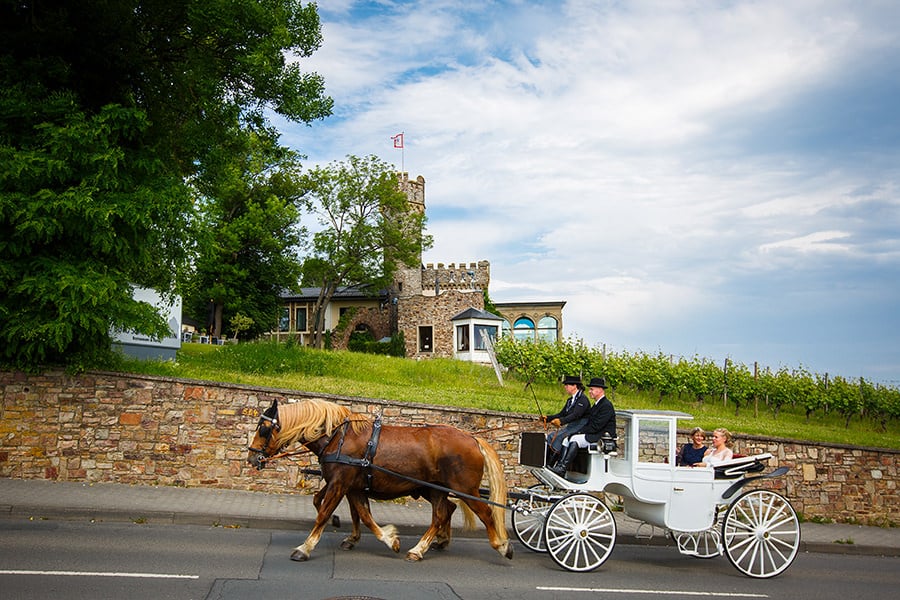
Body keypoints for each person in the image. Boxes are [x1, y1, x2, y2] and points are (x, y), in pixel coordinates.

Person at [551, 377, 616, 477]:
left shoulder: (606, 405)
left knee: (575, 439)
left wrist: (579, 432)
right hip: (594, 432)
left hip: (601, 436)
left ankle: (562, 468)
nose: (589, 392)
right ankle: (558, 466)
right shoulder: (596, 405)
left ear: (600, 390)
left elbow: (596, 426)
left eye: (592, 389)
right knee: (566, 439)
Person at [543, 375, 590, 463]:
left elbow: (576, 415)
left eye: (567, 385)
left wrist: (561, 421)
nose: (565, 387)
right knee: (550, 436)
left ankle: (553, 464)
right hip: (572, 425)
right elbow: (562, 414)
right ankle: (545, 461)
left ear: (574, 386)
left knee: (559, 437)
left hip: (581, 426)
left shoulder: (583, 400)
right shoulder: (570, 401)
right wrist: (548, 418)